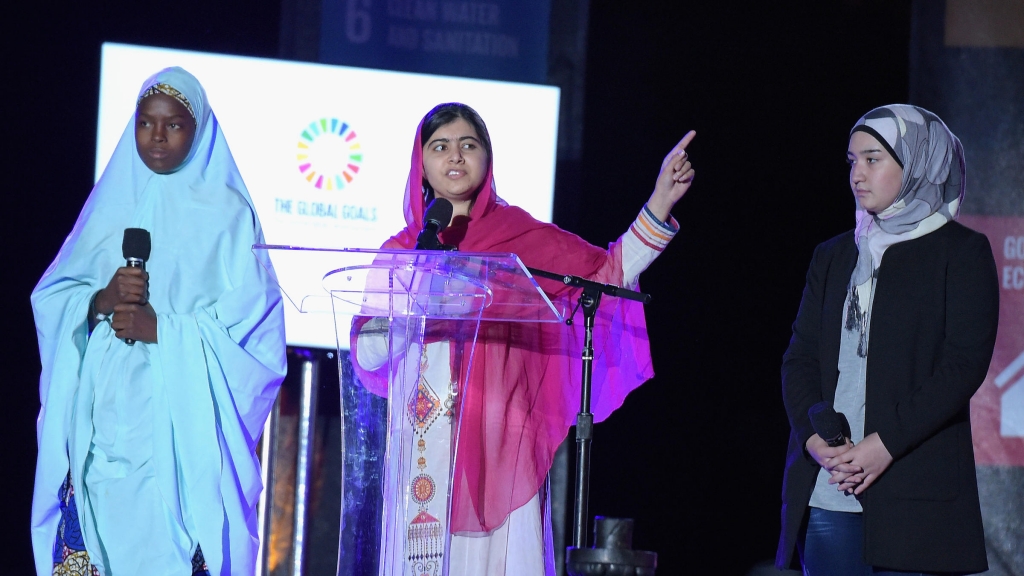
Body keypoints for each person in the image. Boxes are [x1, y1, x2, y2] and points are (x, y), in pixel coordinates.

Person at [351, 102, 695, 575]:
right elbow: (368, 353)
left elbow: (606, 272)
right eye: (440, 146)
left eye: (468, 145)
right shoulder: (400, 255)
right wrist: (413, 300)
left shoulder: (519, 238)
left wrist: (659, 202)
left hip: (504, 450)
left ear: (487, 160)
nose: (455, 156)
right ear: (422, 165)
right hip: (422, 455)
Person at [30, 67, 286, 576]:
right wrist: (100, 298)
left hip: (180, 424)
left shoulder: (229, 216)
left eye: (174, 125)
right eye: (146, 123)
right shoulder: (111, 200)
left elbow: (255, 330)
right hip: (103, 421)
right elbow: (54, 297)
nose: (158, 137)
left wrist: (163, 331)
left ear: (199, 130)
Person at [776, 104, 998, 575]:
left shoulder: (961, 253)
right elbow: (800, 359)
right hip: (830, 490)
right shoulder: (834, 255)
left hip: (915, 493)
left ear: (916, 161)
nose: (858, 173)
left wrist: (885, 444)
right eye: (852, 160)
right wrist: (815, 440)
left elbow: (963, 366)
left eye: (873, 158)